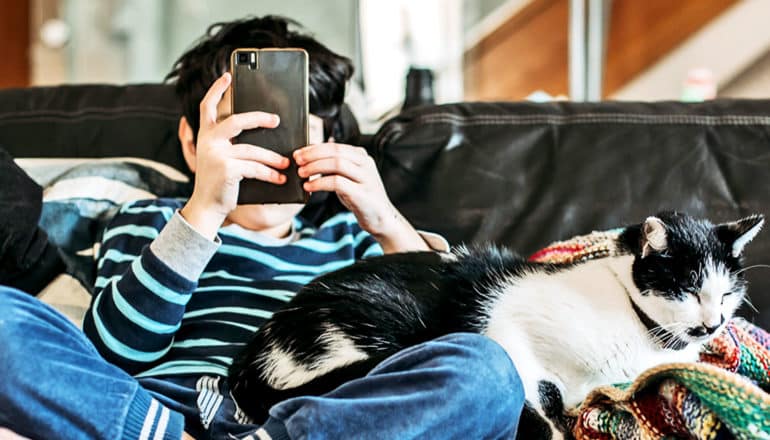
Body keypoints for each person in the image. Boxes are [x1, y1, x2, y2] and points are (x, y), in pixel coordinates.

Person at [0, 16, 524, 440]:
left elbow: (442, 340)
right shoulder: (153, 220)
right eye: (246, 130)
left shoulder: (354, 241)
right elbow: (112, 354)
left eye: (289, 133)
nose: (268, 154)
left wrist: (387, 224)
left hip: (316, 416)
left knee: (488, 371)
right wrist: (203, 210)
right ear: (192, 143)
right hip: (155, 415)